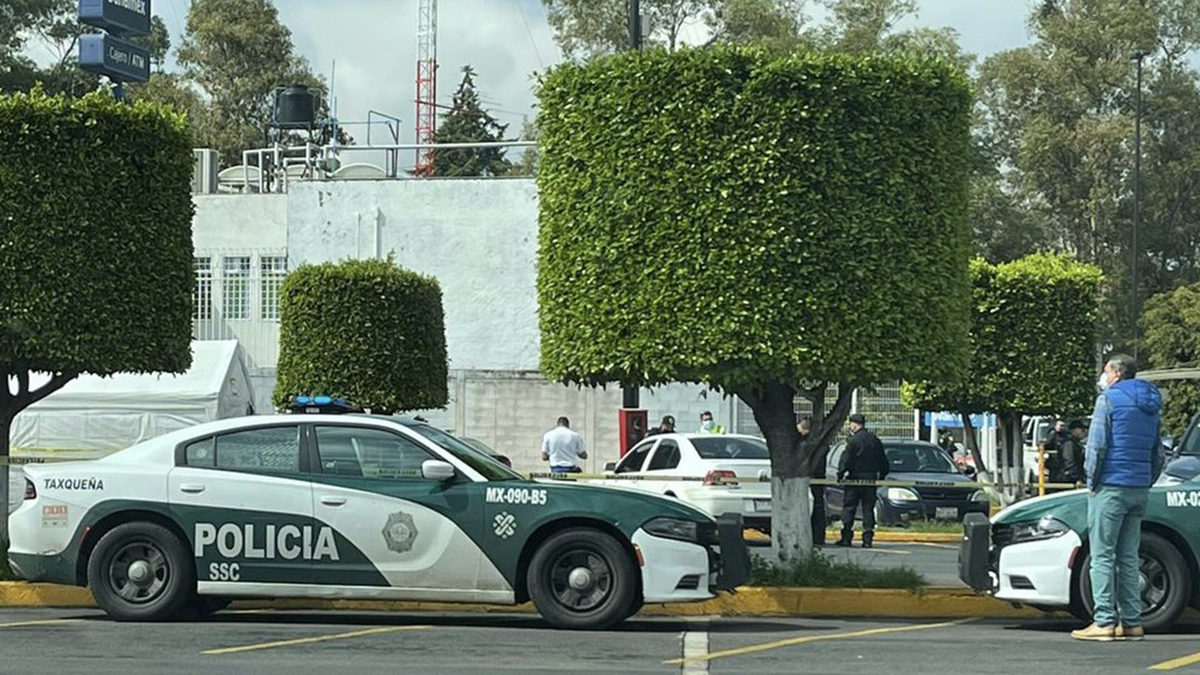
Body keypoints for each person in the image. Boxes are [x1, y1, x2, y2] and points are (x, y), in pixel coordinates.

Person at [1071, 355, 1163, 642]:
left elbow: (1096, 446)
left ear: (1117, 374)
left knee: (1102, 556)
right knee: (1128, 556)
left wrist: (1091, 481)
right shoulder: (1152, 404)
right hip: (1138, 488)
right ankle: (1132, 622)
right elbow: (1157, 452)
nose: (1103, 375)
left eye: (1106, 370)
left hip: (1110, 485)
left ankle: (1104, 622)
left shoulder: (1108, 400)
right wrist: (1146, 480)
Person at [837, 414, 889, 548]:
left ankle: (846, 538)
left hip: (854, 479)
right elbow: (883, 460)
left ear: (854, 424)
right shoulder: (874, 440)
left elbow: (846, 459)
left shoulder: (853, 441)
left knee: (849, 508)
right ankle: (867, 539)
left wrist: (840, 474)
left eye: (851, 425)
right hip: (870, 479)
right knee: (868, 509)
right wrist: (882, 475)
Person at [799, 416, 827, 547]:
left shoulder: (807, 443)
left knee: (811, 507)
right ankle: (818, 537)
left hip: (810, 477)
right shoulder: (821, 442)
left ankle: (812, 536)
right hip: (818, 477)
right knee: (818, 507)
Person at [1055, 420, 1088, 488]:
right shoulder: (1069, 443)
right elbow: (1069, 461)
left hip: (1069, 478)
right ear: (1075, 430)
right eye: (1082, 430)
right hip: (1068, 480)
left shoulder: (1073, 442)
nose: (1085, 432)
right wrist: (1076, 477)